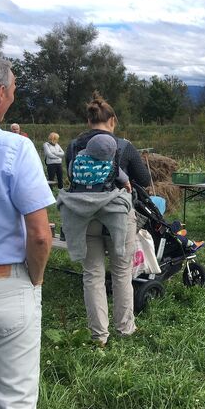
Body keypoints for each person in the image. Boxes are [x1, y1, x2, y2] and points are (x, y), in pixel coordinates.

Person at [0, 53, 55, 409]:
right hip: (4, 283)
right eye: (12, 89)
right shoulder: (15, 147)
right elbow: (39, 234)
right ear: (0, 92)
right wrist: (35, 279)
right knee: (14, 404)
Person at [64, 94, 151, 345]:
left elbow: (72, 177)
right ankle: (125, 328)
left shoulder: (73, 146)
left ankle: (99, 336)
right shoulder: (124, 146)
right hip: (118, 217)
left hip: (84, 216)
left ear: (89, 121)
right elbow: (144, 180)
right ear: (112, 120)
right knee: (122, 272)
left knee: (92, 274)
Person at [58, 134, 133, 263]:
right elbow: (124, 179)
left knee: (74, 227)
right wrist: (127, 186)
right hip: (105, 200)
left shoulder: (76, 161)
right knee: (118, 220)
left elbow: (71, 175)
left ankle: (77, 252)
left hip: (78, 201)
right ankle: (119, 247)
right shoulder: (111, 164)